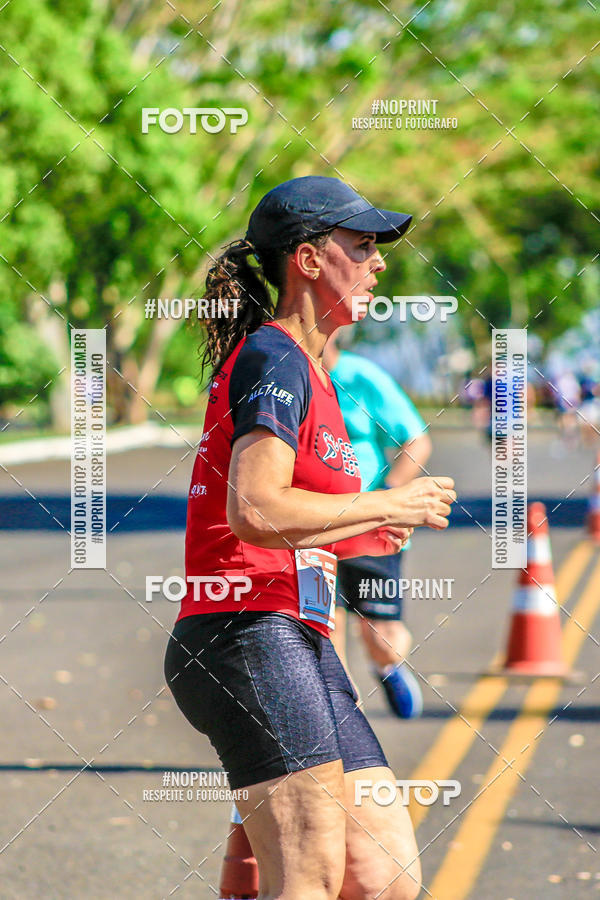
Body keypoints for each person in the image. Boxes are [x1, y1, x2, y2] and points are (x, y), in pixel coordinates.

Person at [163, 175, 456, 900]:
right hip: (245, 631)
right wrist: (389, 499)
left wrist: (369, 524)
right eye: (363, 246)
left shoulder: (316, 371)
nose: (381, 262)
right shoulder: (277, 357)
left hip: (297, 635)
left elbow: (293, 518)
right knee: (313, 875)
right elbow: (255, 510)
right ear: (309, 260)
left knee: (383, 876)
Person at [323, 331, 432, 718]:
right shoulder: (290, 379)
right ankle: (340, 720)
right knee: (326, 630)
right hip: (319, 527)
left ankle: (386, 666)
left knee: (379, 637)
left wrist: (388, 494)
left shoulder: (361, 377)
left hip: (373, 526)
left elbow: (416, 441)